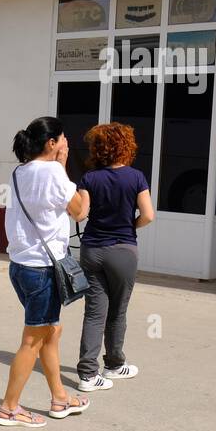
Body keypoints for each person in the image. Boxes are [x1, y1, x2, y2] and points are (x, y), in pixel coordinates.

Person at [0, 116, 90, 427]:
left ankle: (60, 398)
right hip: (42, 270)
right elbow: (79, 211)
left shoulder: (20, 171)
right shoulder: (53, 172)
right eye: (63, 139)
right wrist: (72, 176)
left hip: (21, 265)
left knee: (51, 331)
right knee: (33, 340)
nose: (67, 143)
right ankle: (9, 408)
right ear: (52, 143)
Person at [75, 122, 155, 392]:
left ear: (97, 149)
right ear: (126, 146)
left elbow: (80, 215)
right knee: (118, 312)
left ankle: (87, 374)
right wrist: (129, 226)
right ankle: (113, 363)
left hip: (92, 250)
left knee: (95, 313)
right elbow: (148, 215)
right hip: (123, 250)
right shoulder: (136, 177)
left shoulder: (89, 178)